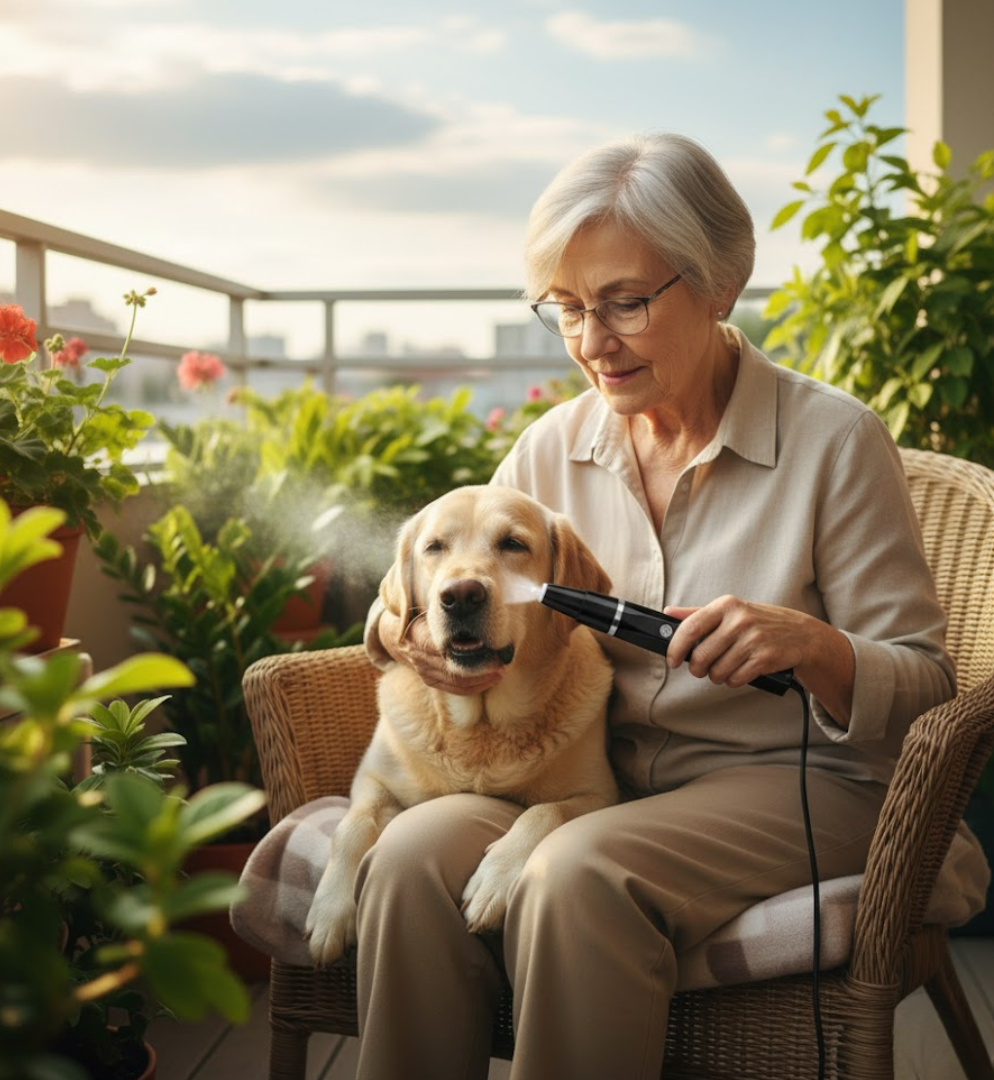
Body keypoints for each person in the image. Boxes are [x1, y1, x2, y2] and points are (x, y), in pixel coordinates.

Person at [356, 132, 955, 1080]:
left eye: (626, 302)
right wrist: (409, 636)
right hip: (590, 780)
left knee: (576, 875)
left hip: (793, 789)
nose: (594, 341)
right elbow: (430, 592)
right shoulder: (549, 451)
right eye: (568, 308)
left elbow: (928, 685)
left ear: (720, 283)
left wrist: (813, 645)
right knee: (409, 856)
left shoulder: (834, 441)